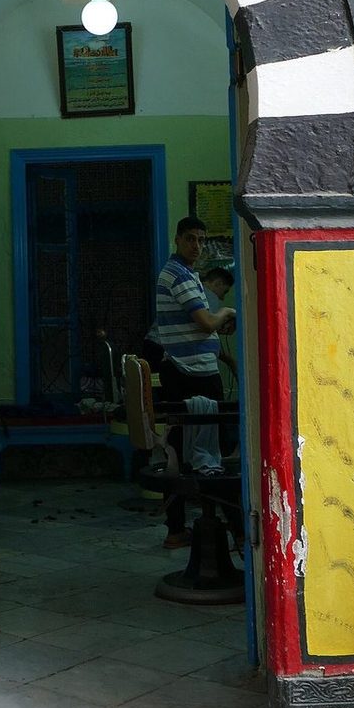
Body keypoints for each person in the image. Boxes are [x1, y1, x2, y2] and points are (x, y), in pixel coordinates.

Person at [152, 218, 236, 547]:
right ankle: (190, 526)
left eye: (201, 240)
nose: (197, 246)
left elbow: (204, 326)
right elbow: (204, 322)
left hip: (191, 369)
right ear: (177, 240)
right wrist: (225, 312)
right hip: (189, 373)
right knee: (201, 453)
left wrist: (218, 326)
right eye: (190, 239)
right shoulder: (179, 275)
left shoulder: (189, 276)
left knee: (193, 449)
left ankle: (195, 524)